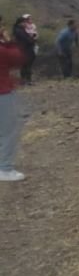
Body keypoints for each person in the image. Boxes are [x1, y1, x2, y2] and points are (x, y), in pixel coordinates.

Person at [0, 14, 27, 181]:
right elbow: (18, 59)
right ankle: (5, 168)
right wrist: (8, 41)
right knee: (10, 129)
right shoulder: (2, 48)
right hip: (2, 91)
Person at [12, 16, 37, 85]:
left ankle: (25, 80)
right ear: (20, 23)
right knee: (27, 65)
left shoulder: (20, 29)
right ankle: (27, 80)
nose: (25, 24)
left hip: (24, 49)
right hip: (25, 50)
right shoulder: (19, 30)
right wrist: (33, 40)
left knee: (25, 66)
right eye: (24, 22)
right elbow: (26, 40)